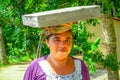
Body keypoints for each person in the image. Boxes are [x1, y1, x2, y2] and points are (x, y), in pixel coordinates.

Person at [24, 23, 90, 80]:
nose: (63, 45)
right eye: (57, 40)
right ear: (47, 42)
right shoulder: (35, 68)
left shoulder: (80, 66)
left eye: (67, 40)